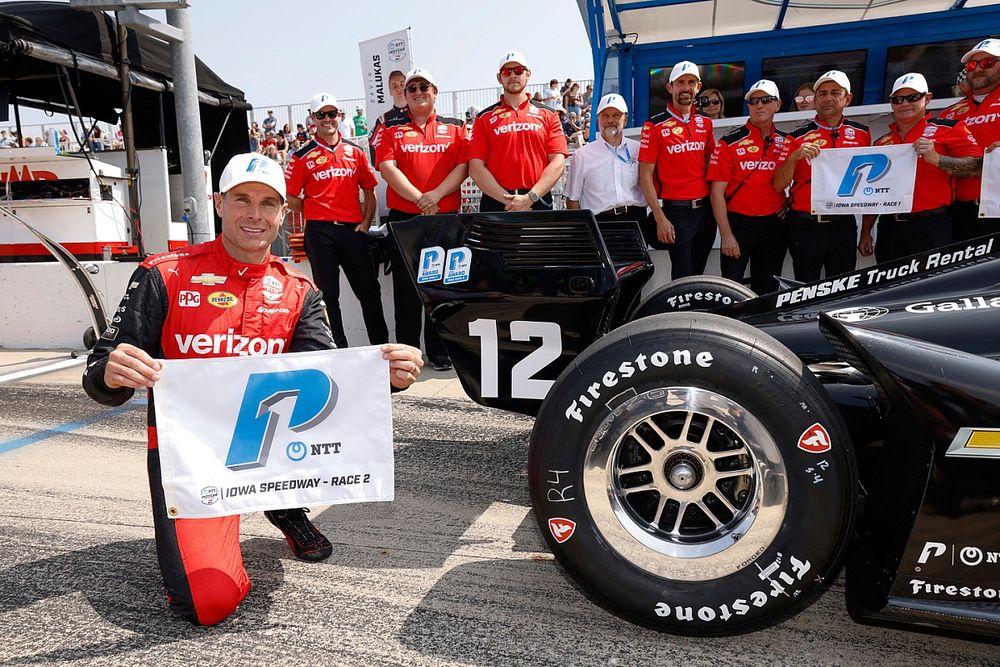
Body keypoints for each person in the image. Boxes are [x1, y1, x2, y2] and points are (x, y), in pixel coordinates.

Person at [82, 152, 424, 626]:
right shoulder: (163, 273)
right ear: (218, 203)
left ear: (284, 214)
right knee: (208, 604)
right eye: (242, 199)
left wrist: (383, 377)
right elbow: (99, 373)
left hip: (270, 451)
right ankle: (250, 509)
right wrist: (111, 373)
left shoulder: (300, 291)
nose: (254, 214)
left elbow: (328, 385)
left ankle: (281, 501)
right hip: (191, 455)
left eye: (268, 203)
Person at [376, 67, 469, 372]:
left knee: (441, 286)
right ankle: (407, 356)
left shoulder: (455, 126)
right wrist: (420, 198)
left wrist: (437, 196)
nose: (417, 93)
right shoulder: (391, 128)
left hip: (444, 217)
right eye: (412, 88)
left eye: (423, 87)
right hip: (406, 219)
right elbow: (387, 168)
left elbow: (464, 166)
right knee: (406, 290)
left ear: (434, 91)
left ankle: (441, 352)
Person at [285, 92, 389, 348]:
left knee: (369, 292)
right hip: (319, 233)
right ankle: (338, 352)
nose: (327, 119)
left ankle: (381, 349)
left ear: (339, 116)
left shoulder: (355, 151)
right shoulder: (302, 155)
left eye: (332, 114)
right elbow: (290, 197)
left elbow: (369, 190)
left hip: (354, 231)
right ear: (313, 118)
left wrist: (365, 224)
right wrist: (312, 207)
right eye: (321, 115)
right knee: (328, 298)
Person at [858, 73, 981, 263]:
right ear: (892, 103)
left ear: (927, 98)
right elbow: (874, 195)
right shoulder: (881, 142)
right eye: (898, 99)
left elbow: (977, 167)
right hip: (890, 226)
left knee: (931, 289)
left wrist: (937, 159)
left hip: (932, 225)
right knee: (889, 288)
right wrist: (866, 230)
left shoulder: (950, 128)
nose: (905, 103)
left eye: (913, 97)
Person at [773, 70, 871, 282]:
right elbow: (779, 184)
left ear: (848, 98)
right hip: (806, 225)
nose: (827, 98)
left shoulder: (862, 133)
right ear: (815, 100)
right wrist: (793, 158)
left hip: (843, 224)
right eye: (822, 93)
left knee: (844, 287)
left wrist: (866, 231)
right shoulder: (796, 136)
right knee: (805, 287)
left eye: (835, 92)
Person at [708, 79, 789, 295]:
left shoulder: (787, 141)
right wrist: (725, 235)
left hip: (774, 225)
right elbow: (716, 193)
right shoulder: (729, 142)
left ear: (777, 104)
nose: (759, 105)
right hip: (738, 225)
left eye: (765, 100)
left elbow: (799, 180)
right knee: (731, 290)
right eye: (754, 101)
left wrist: (789, 202)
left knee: (768, 289)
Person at [638, 60, 717, 280]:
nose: (686, 87)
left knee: (699, 274)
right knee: (682, 277)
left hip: (705, 211)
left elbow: (711, 162)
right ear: (670, 88)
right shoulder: (653, 126)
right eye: (680, 82)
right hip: (677, 213)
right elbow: (645, 176)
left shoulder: (706, 122)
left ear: (698, 87)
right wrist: (660, 217)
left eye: (691, 82)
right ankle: (681, 315)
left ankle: (697, 314)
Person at [468, 50, 568, 212]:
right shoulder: (483, 118)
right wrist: (510, 202)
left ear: (528, 74)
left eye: (519, 71)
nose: (513, 75)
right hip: (497, 203)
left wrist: (530, 198)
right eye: (507, 72)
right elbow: (475, 167)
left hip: (538, 200)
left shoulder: (548, 114)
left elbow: (558, 161)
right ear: (499, 77)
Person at [938, 38, 1000, 240]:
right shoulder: (948, 114)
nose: (978, 69)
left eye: (988, 63)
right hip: (960, 213)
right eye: (973, 65)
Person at [564, 93, 645, 226]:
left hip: (636, 219)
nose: (610, 120)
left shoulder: (638, 149)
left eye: (616, 115)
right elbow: (572, 201)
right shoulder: (582, 155)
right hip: (600, 223)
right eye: (605, 115)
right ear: (598, 119)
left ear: (625, 120)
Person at [369, 70, 410, 161]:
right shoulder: (383, 120)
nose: (399, 89)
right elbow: (372, 145)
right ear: (390, 91)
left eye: (402, 84)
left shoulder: (418, 114)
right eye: (394, 86)